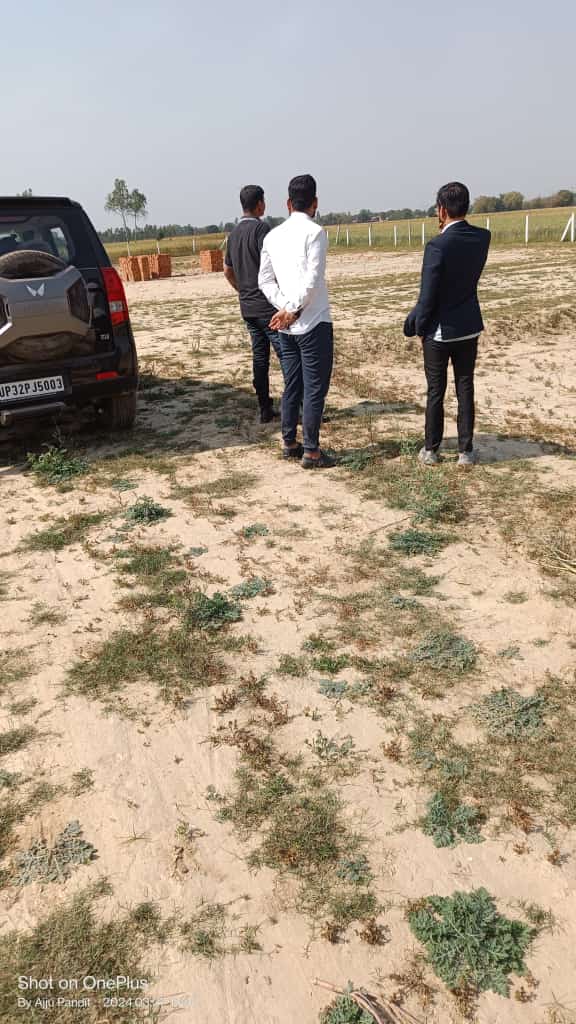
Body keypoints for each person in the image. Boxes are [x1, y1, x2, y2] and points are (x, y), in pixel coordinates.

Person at [404, 181, 491, 467]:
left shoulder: (437, 245)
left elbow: (427, 296)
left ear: (441, 210)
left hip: (440, 331)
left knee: (436, 391)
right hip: (469, 325)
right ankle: (466, 451)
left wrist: (419, 327)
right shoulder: (483, 237)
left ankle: (431, 449)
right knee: (465, 387)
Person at [258, 174, 334, 469]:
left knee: (292, 384)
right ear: (315, 202)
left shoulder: (272, 236)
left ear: (288, 203)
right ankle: (311, 451)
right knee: (314, 388)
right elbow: (313, 280)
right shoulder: (315, 232)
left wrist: (283, 307)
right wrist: (291, 309)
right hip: (313, 322)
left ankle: (289, 442)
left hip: (286, 325)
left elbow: (264, 280)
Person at [224, 185, 283, 423]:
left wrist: (242, 290)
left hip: (247, 308)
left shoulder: (233, 235)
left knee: (260, 359)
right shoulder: (262, 229)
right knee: (287, 356)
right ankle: (298, 407)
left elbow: (227, 271)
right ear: (259, 204)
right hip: (267, 307)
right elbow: (274, 265)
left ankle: (264, 408)